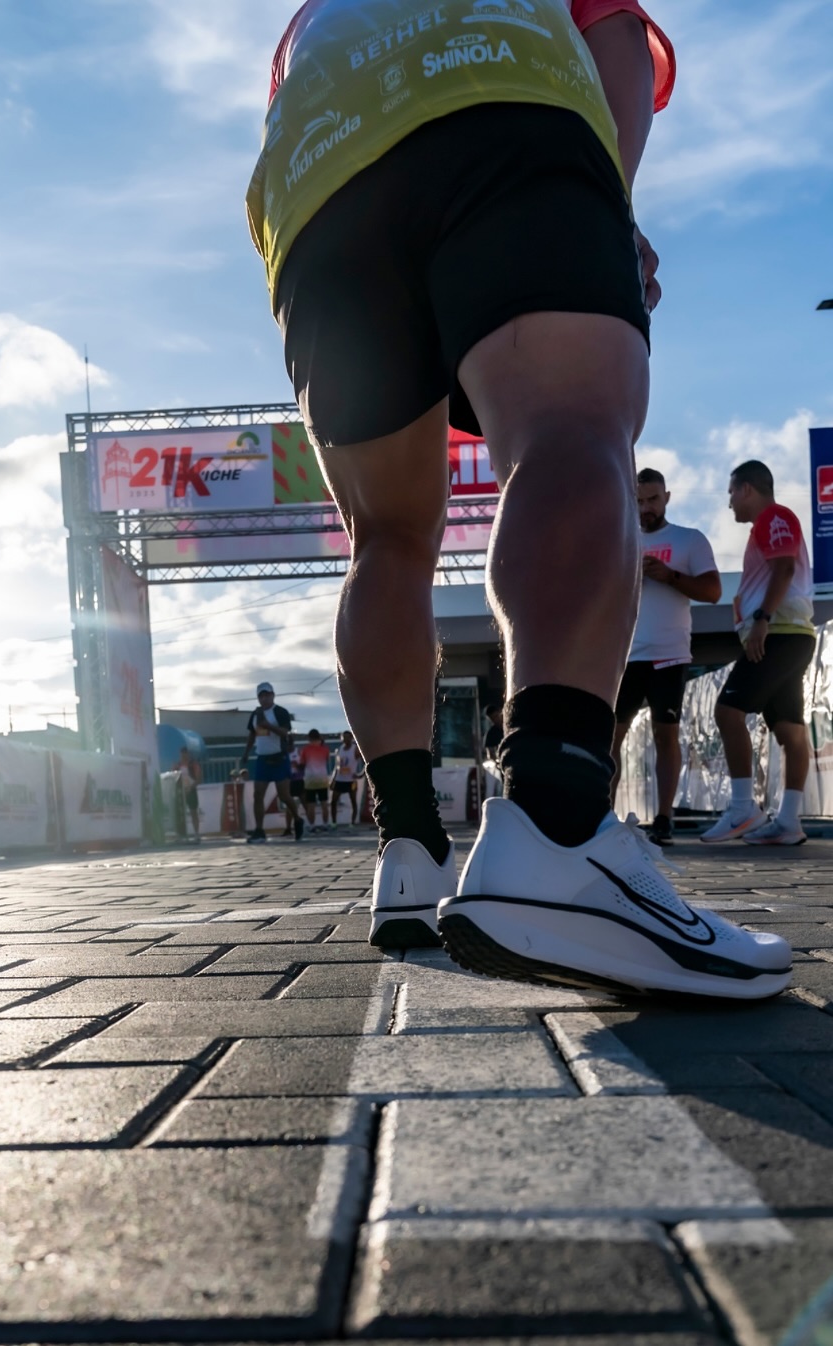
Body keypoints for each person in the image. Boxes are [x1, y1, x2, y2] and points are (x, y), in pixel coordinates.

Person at [247, 0, 791, 994]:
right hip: (493, 80)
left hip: (314, 170)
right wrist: (608, 212)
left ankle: (408, 853)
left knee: (387, 541)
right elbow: (613, 34)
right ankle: (557, 825)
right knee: (569, 425)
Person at [701, 460, 815, 847]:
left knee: (727, 711)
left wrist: (762, 620)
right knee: (789, 730)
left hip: (779, 633)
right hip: (790, 634)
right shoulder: (768, 524)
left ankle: (742, 808)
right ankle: (788, 822)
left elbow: (783, 569)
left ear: (747, 489)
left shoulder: (773, 517)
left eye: (732, 492)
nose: (730, 502)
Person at [612, 468, 721, 844]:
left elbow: (712, 591)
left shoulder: (689, 540)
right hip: (624, 654)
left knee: (665, 735)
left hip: (668, 654)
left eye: (653, 499)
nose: (646, 507)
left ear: (667, 497)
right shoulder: (619, 541)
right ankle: (604, 819)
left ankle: (663, 817)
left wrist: (669, 576)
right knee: (611, 737)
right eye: (639, 500)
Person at [239, 682, 304, 843]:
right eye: (261, 695)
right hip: (262, 758)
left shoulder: (280, 712)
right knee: (258, 793)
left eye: (267, 695)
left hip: (279, 757)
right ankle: (259, 830)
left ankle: (297, 819)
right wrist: (246, 753)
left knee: (284, 795)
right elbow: (252, 735)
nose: (264, 698)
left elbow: (285, 733)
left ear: (273, 695)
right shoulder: (255, 714)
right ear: (258, 698)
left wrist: (268, 725)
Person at [299, 728, 332, 831]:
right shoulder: (325, 749)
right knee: (324, 803)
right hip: (322, 779)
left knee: (311, 804)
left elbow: (302, 764)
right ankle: (325, 824)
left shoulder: (305, 749)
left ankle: (312, 825)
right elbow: (327, 760)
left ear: (309, 738)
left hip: (310, 781)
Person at [330, 729, 364, 827]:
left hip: (351, 780)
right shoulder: (340, 748)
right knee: (333, 801)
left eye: (348, 737)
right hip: (340, 779)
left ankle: (352, 822)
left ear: (352, 738)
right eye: (344, 737)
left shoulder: (355, 749)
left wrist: (361, 774)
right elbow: (337, 766)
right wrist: (333, 779)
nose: (345, 739)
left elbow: (365, 762)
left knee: (353, 801)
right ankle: (334, 822)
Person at [176, 746, 203, 844]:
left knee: (193, 813)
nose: (184, 755)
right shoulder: (177, 765)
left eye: (186, 753)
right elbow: (173, 777)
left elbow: (199, 778)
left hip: (191, 790)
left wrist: (191, 787)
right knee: (179, 814)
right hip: (180, 792)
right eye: (182, 753)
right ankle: (181, 834)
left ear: (188, 754)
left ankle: (196, 833)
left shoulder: (193, 764)